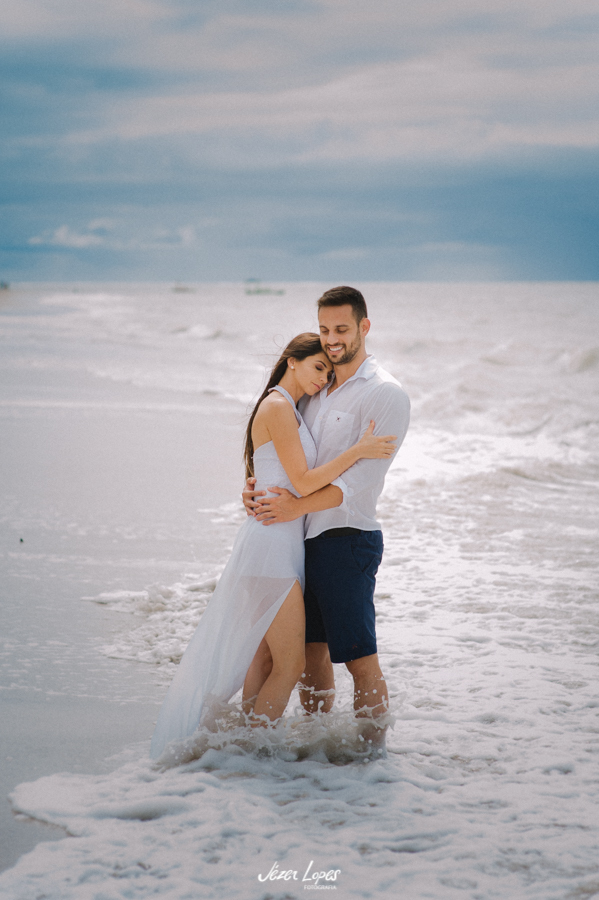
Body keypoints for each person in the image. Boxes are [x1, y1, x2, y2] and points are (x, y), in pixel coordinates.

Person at [150, 332, 396, 760]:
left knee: (263, 658)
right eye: (317, 367)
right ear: (292, 361)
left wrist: (253, 489)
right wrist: (359, 450)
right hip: (271, 548)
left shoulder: (292, 409)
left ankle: (241, 747)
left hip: (278, 544)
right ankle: (253, 751)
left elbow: (273, 474)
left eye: (329, 371)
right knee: (291, 663)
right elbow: (301, 482)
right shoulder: (280, 406)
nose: (323, 378)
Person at [243, 286, 410, 728]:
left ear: (363, 327)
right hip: (299, 540)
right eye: (324, 329)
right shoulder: (316, 388)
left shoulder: (385, 393)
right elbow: (282, 453)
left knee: (359, 658)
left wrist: (294, 506)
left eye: (341, 329)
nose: (332, 339)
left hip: (346, 538)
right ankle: (317, 748)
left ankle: (372, 758)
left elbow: (360, 483)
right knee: (310, 655)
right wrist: (255, 489)